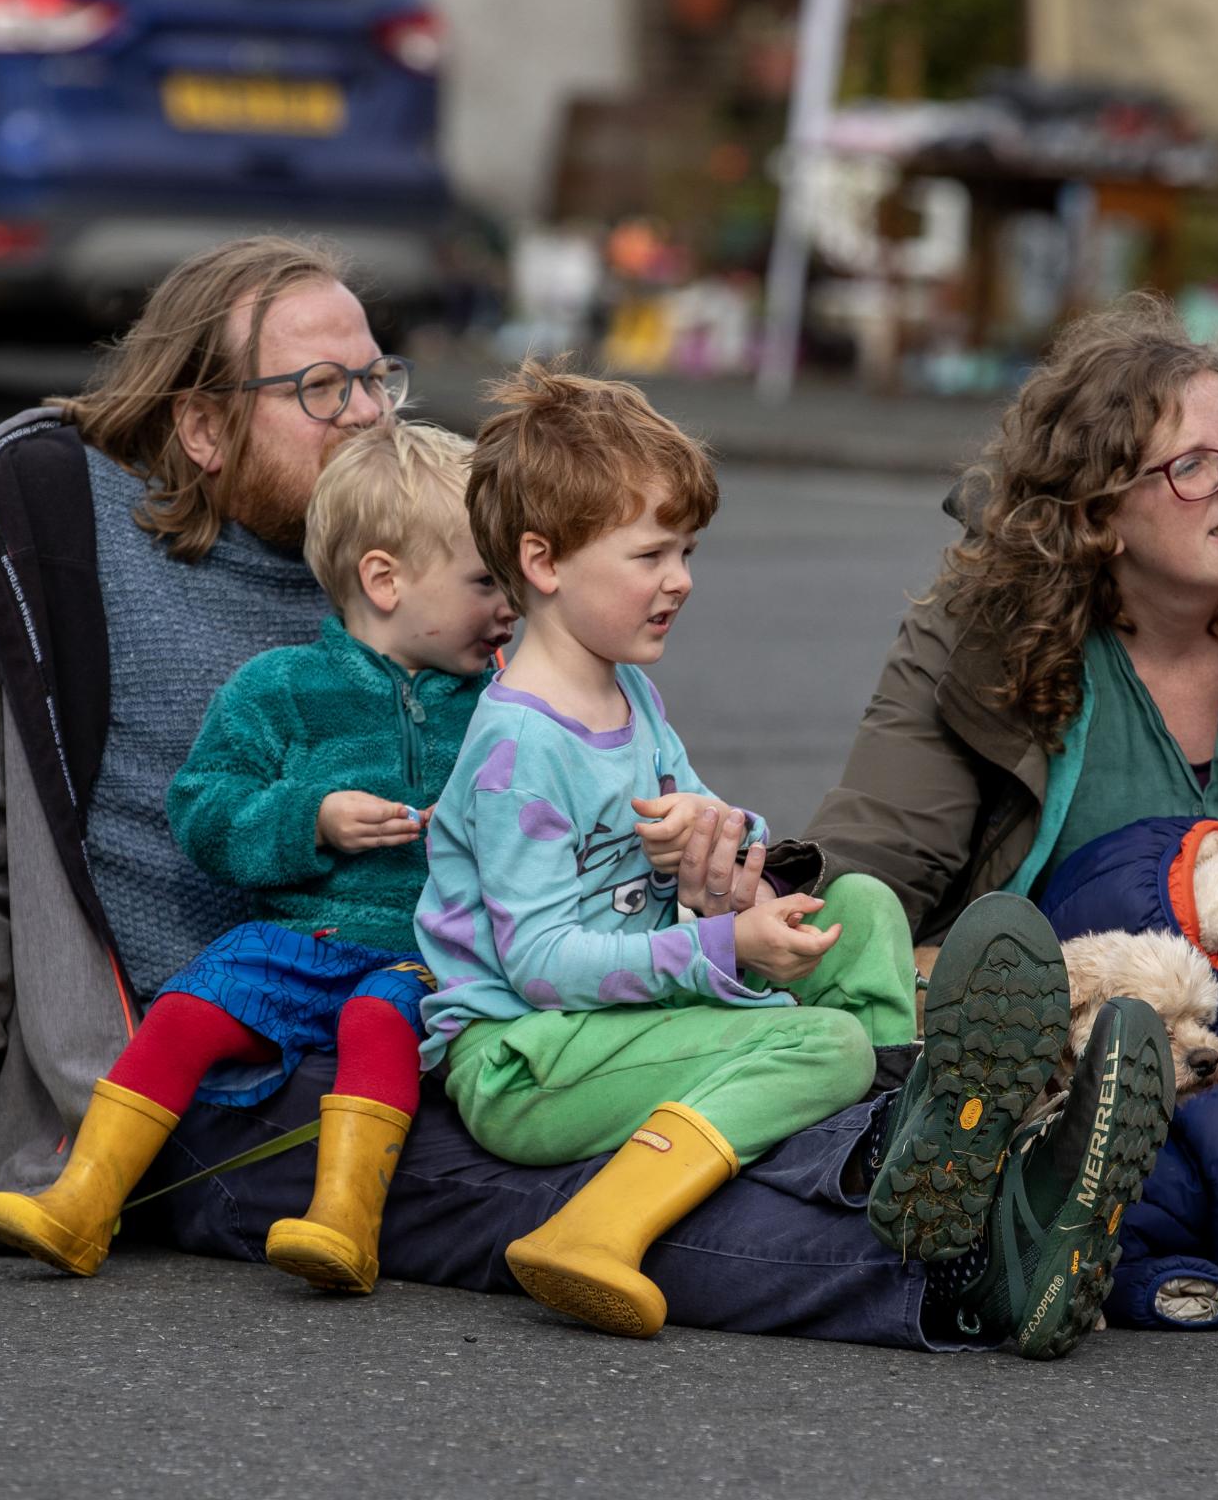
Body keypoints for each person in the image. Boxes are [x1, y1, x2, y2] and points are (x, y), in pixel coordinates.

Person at [0, 234, 1168, 1360]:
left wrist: (717, 857)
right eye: (322, 392)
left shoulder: (446, 557)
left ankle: (981, 1170)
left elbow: (598, 760)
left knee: (725, 1049)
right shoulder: (41, 530)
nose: (375, 414)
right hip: (249, 1046)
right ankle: (960, 1262)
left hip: (475, 981)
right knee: (511, 1188)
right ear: (204, 428)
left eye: (378, 376)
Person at [412, 363, 1171, 1350]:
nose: (680, 577)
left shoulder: (625, 692)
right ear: (544, 562)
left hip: (619, 1014)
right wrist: (724, 950)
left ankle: (927, 1122)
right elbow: (542, 967)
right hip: (527, 1058)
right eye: (649, 555)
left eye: (686, 549)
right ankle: (598, 1225)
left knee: (859, 909)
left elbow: (708, 844)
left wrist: (723, 864)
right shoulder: (518, 748)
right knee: (824, 1042)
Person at [783, 292, 1218, 1043]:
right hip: (1068, 1040)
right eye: (1193, 467)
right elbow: (877, 856)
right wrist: (766, 907)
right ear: (1097, 518)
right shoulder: (988, 627)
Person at [0, 420, 515, 1291]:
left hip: (426, 953)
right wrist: (313, 820)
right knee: (187, 1011)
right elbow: (204, 811)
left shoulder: (503, 709)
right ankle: (80, 1201)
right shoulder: (280, 689)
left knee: (378, 1025)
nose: (510, 608)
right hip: (296, 938)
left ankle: (345, 1221)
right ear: (385, 580)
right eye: (487, 581)